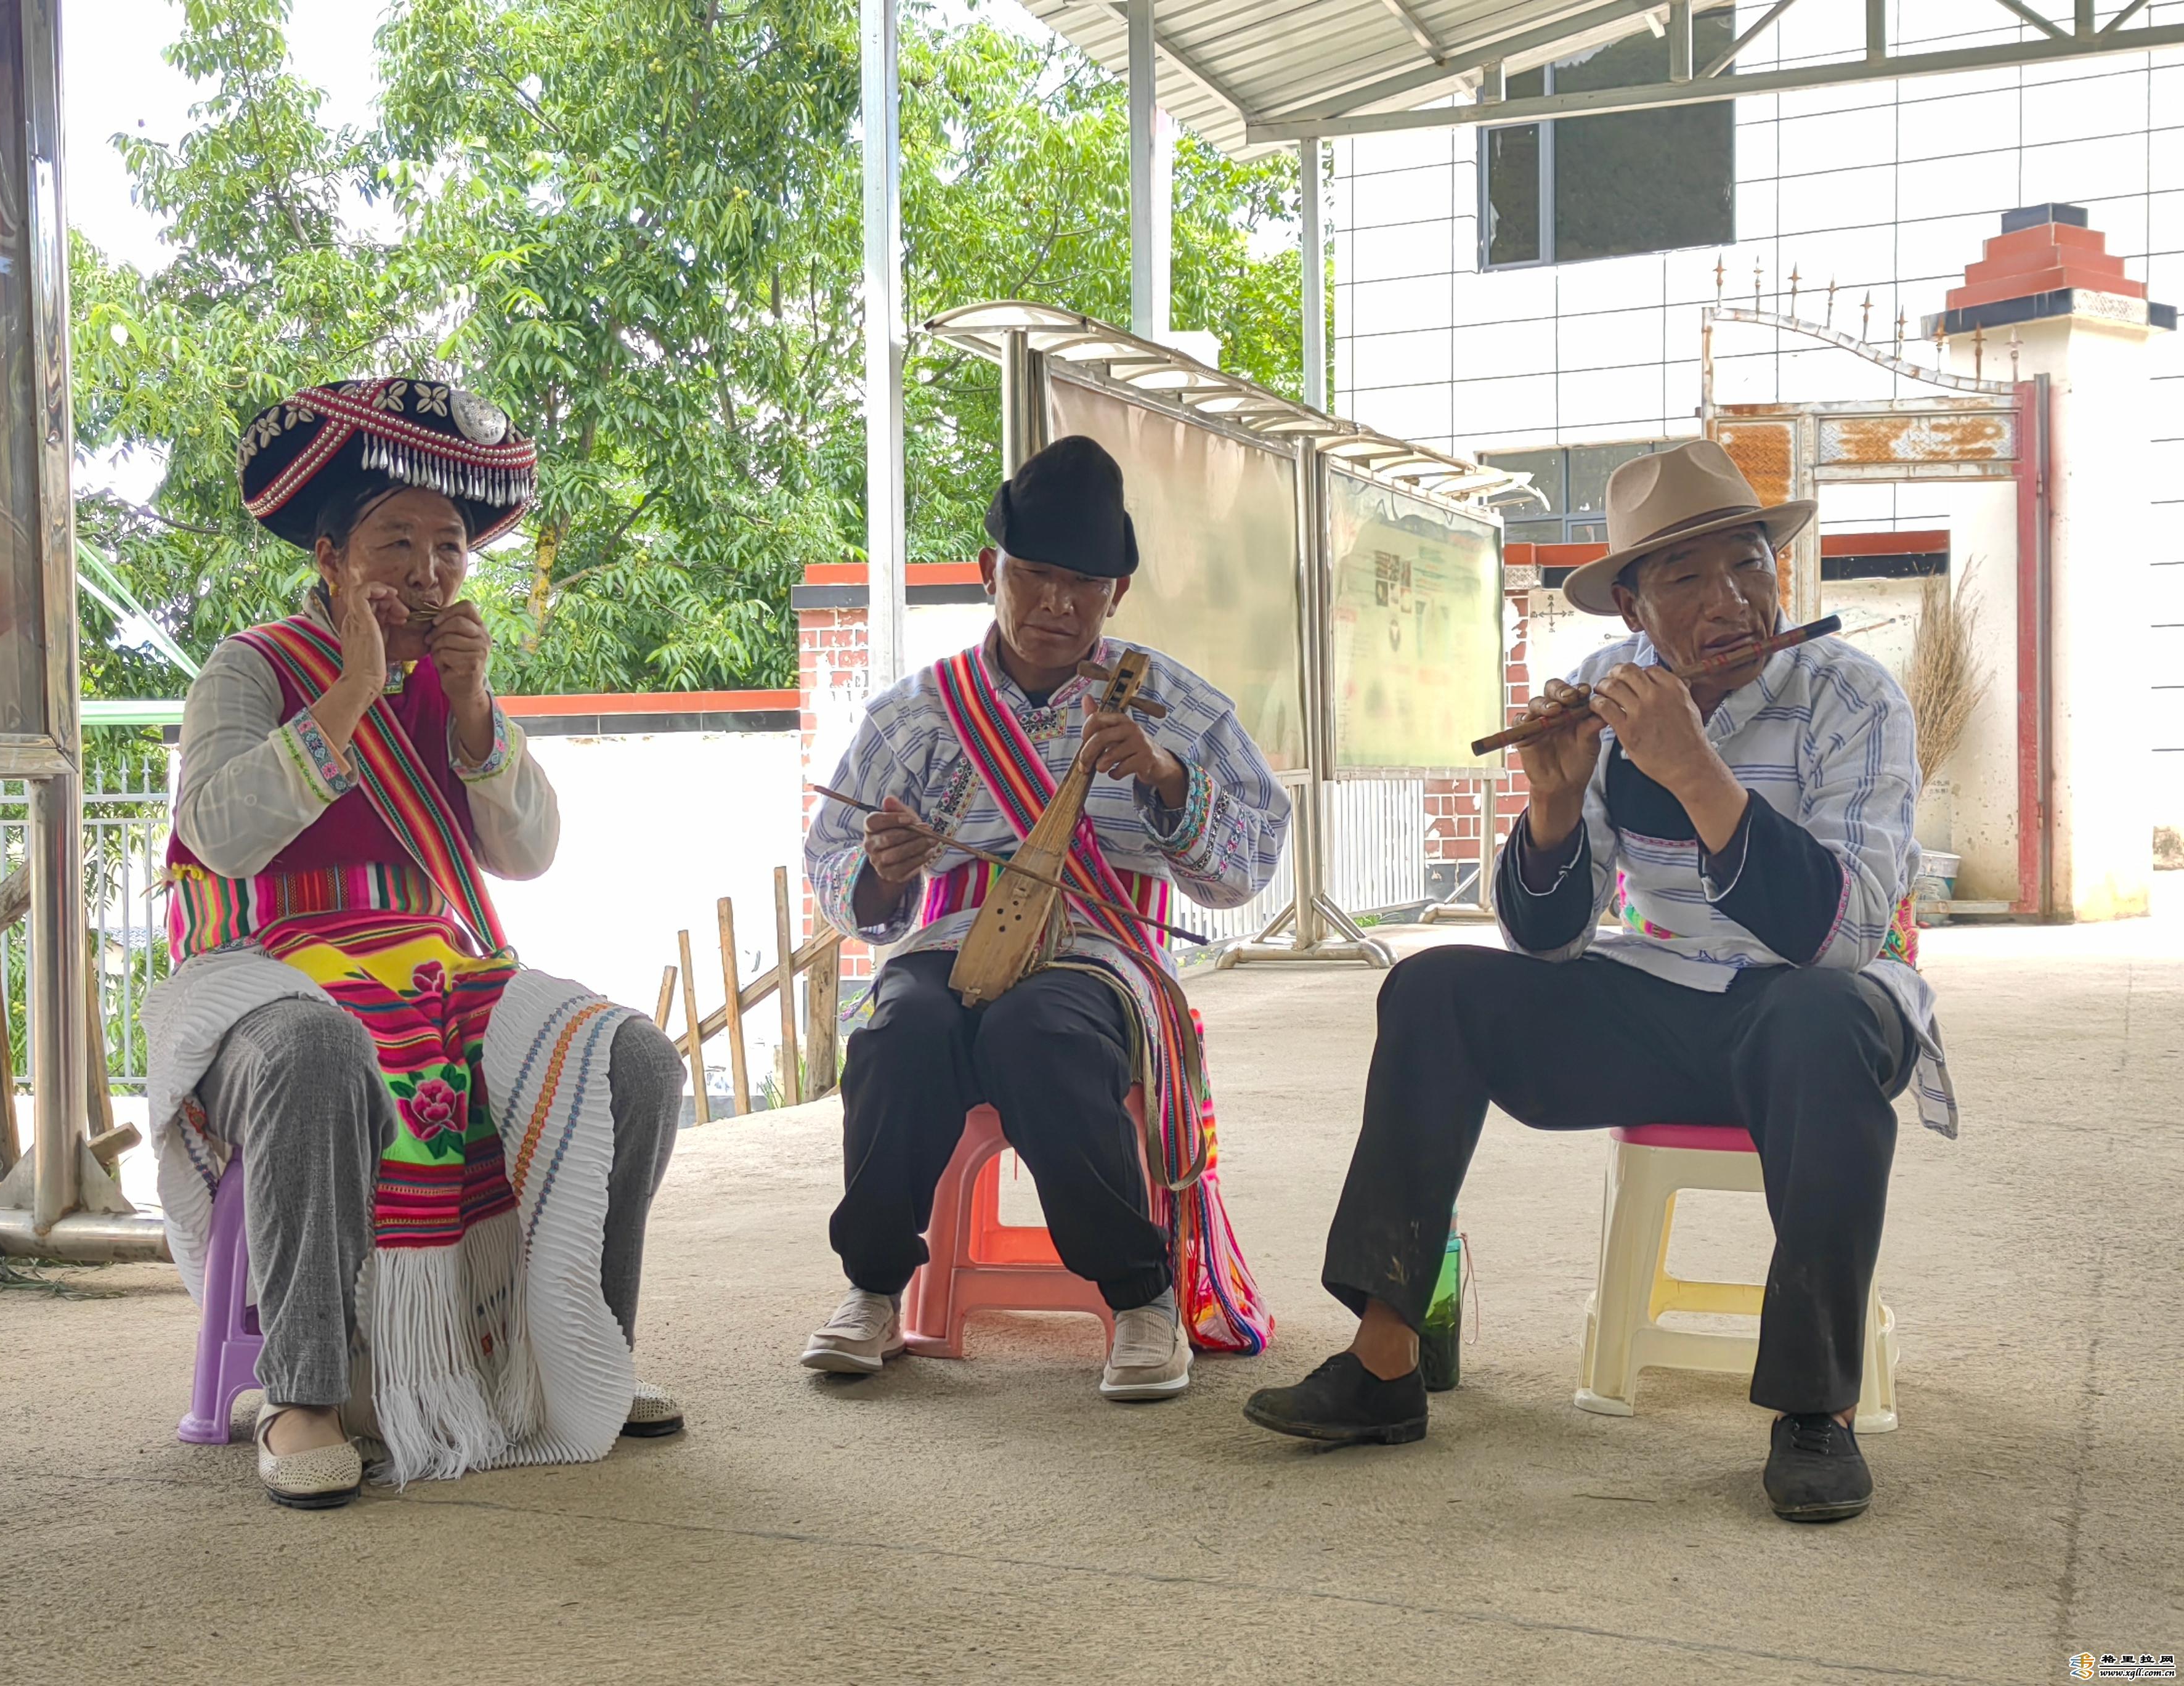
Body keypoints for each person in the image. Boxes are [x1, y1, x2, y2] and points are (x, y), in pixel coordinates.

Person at [1245, 439, 1956, 1523]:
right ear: (1633, 603)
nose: (1732, 601)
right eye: (1688, 578)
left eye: (1748, 564)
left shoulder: (1853, 697)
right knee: (1433, 990)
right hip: (1658, 1001)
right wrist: (1556, 802)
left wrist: (1697, 771)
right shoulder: (1616, 696)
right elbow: (1549, 949)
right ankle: (1384, 1358)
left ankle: (1818, 1409)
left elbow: (1848, 936)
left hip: (1809, 1015)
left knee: (1820, 1017)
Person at [144, 379, 686, 1509]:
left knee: (632, 1058)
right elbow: (221, 835)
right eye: (397, 543)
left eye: (449, 548)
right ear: (332, 560)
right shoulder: (251, 666)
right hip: (260, 976)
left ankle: (584, 1354)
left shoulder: (451, 687)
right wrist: (351, 690)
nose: (428, 574)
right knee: (317, 1049)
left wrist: (475, 707)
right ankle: (300, 1396)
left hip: (433, 967)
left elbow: (530, 852)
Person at [800, 435, 1289, 1399]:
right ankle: (873, 1288)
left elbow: (1252, 863)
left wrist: (1168, 778)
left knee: (1038, 1032)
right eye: (1034, 576)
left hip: (1101, 954)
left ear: (1118, 594)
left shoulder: (1176, 707)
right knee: (900, 1033)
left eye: (1085, 585)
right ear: (991, 571)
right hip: (950, 943)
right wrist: (883, 874)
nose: (1058, 604)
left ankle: (1143, 1297)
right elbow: (833, 858)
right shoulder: (916, 714)